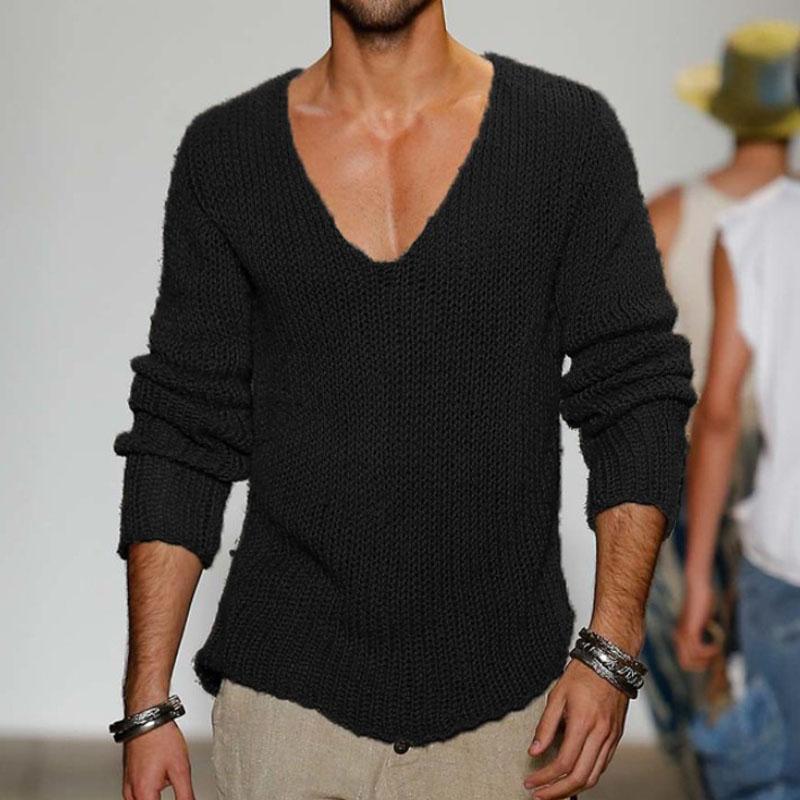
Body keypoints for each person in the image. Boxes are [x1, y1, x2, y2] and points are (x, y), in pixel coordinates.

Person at [110, 2, 695, 798]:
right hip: (286, 706)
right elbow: (183, 426)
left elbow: (635, 391)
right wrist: (145, 704)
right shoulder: (229, 152)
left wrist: (612, 653)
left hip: (507, 711)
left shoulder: (565, 136)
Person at [644, 19, 800, 799]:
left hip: (698, 472)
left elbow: (627, 360)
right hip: (771, 472)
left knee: (701, 669)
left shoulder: (675, 215)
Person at [676, 171, 800, 799]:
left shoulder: (756, 228)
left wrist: (699, 576)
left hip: (785, 552)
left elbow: (719, 413)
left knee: (777, 776)